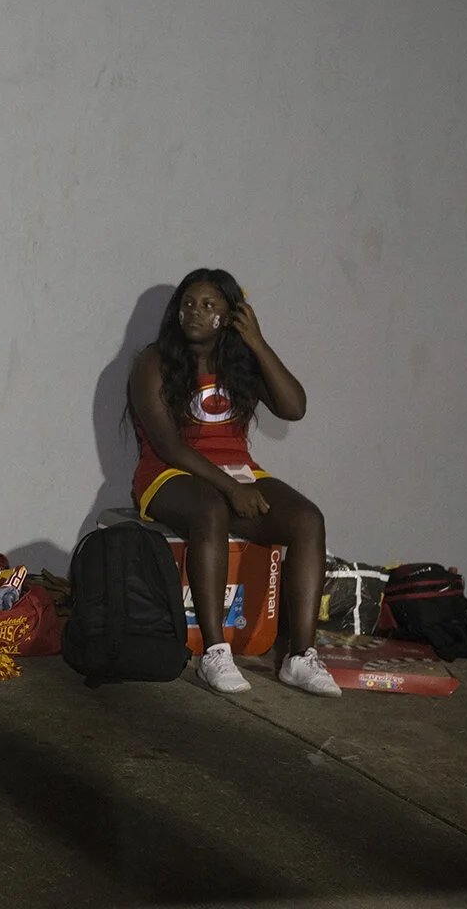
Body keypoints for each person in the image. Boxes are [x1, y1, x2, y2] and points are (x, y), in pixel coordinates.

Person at [128, 270, 340, 697]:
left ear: (231, 315)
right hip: (169, 475)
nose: (195, 313)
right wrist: (229, 489)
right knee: (210, 509)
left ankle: (300, 657)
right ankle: (215, 653)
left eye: (209, 306)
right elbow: (169, 446)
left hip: (238, 471)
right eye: (188, 303)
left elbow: (294, 407)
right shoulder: (153, 361)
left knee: (307, 521)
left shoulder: (238, 360)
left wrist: (257, 343)